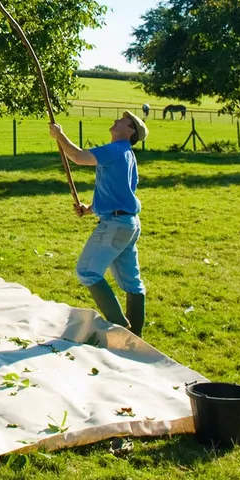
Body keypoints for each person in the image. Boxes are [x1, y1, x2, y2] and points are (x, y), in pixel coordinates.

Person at [49, 111, 149, 336]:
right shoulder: (126, 154)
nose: (117, 119)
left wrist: (60, 136)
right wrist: (90, 208)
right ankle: (136, 338)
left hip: (116, 225)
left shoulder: (115, 150)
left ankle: (121, 329)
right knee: (132, 283)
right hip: (128, 223)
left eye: (123, 120)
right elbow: (117, 190)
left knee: (87, 271)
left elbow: (78, 156)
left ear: (130, 130)